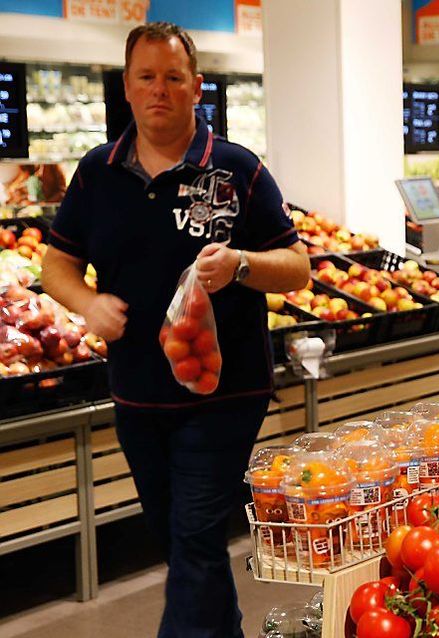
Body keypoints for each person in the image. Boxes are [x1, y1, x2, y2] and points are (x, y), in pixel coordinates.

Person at [41, 22, 310, 638]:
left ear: (197, 88)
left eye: (172, 77)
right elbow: (56, 264)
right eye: (146, 77)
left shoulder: (238, 170)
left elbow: (296, 267)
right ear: (128, 90)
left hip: (224, 393)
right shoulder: (95, 173)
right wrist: (87, 302)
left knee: (193, 535)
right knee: (181, 539)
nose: (159, 89)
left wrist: (241, 264)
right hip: (136, 392)